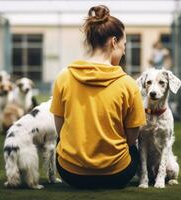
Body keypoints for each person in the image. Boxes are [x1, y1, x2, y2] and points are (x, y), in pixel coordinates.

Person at [50, 5, 146, 189]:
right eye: (124, 45)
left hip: (70, 173)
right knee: (133, 149)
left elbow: (60, 129)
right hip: (117, 174)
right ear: (114, 42)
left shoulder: (63, 77)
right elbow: (132, 137)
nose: (124, 51)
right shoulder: (128, 84)